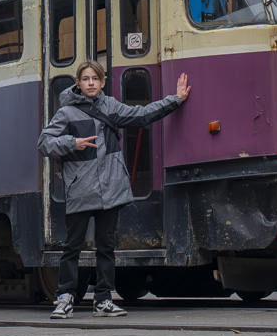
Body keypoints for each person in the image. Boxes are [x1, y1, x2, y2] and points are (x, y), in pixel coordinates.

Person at [38, 59, 190, 318]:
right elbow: (44, 143)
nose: (90, 83)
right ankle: (65, 298)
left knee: (106, 247)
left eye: (95, 79)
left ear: (103, 82)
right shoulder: (66, 113)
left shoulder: (110, 106)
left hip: (110, 190)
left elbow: (142, 115)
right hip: (80, 191)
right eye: (85, 79)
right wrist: (72, 143)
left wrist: (174, 100)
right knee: (72, 246)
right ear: (78, 83)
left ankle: (103, 300)